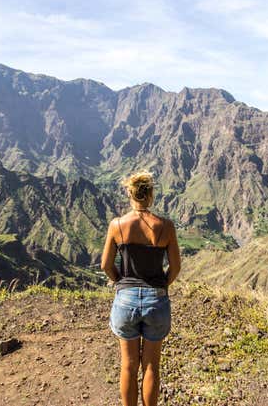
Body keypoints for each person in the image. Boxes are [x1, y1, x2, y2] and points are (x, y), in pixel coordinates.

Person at [100, 171, 181, 406]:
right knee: (151, 366)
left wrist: (120, 283)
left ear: (130, 193)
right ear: (151, 195)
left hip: (125, 301)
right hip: (157, 301)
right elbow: (175, 268)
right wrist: (161, 286)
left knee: (128, 365)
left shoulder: (117, 225)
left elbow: (106, 265)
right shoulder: (166, 227)